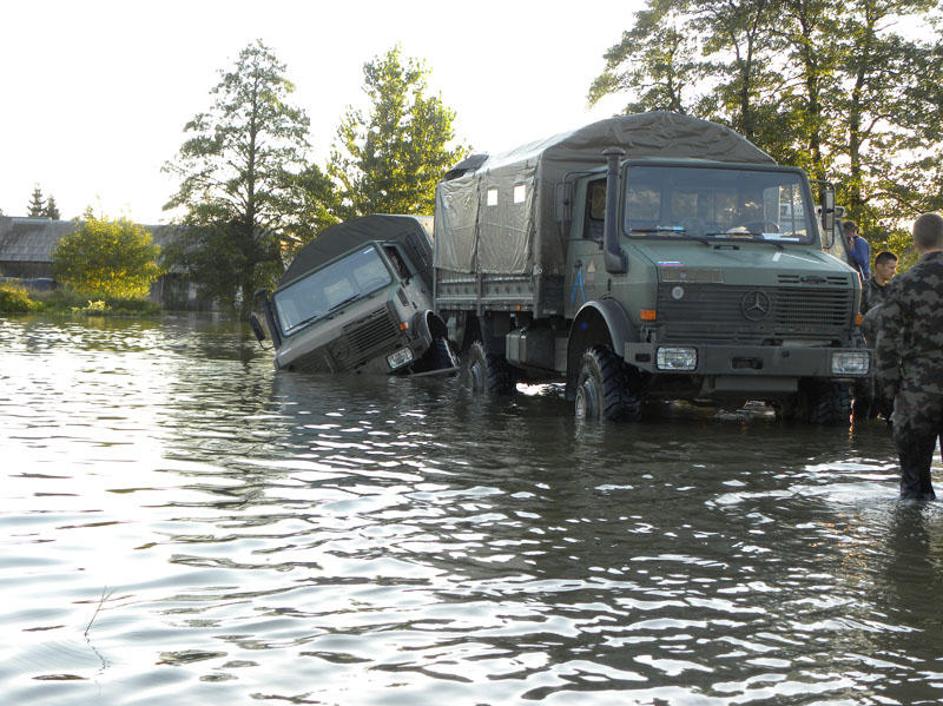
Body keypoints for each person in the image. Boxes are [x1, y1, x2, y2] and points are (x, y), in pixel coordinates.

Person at [874, 212, 943, 500]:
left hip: (917, 394)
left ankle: (910, 529)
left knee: (914, 490)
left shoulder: (903, 283)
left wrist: (889, 393)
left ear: (915, 243)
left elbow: (886, 346)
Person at [861, 250, 899, 314]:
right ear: (879, 267)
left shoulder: (893, 289)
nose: (894, 272)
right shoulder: (865, 287)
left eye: (895, 268)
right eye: (891, 268)